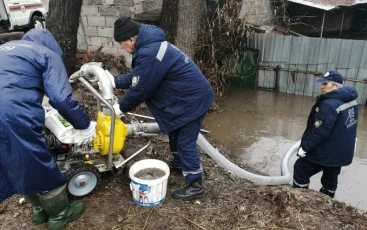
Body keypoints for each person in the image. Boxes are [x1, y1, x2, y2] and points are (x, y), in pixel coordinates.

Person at [109, 16, 215, 200]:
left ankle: (195, 183)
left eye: (121, 43)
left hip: (193, 101)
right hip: (185, 98)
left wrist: (120, 108)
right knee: (175, 131)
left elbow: (140, 88)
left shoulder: (149, 52)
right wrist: (114, 81)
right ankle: (179, 164)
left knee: (185, 142)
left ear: (132, 39)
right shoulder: (150, 46)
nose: (121, 47)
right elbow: (140, 76)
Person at [0, 29, 96, 230]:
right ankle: (60, 214)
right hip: (11, 112)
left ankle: (38, 211)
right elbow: (61, 98)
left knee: (13, 161)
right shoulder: (46, 54)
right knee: (38, 161)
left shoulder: (5, 50)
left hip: (6, 108)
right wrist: (84, 125)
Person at [293, 70, 359, 198]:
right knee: (330, 178)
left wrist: (305, 148)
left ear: (335, 86)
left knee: (301, 168)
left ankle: (300, 198)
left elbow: (320, 131)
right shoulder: (352, 100)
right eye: (322, 83)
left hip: (327, 151)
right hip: (341, 151)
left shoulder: (329, 104)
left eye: (325, 84)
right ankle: (327, 202)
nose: (321, 86)